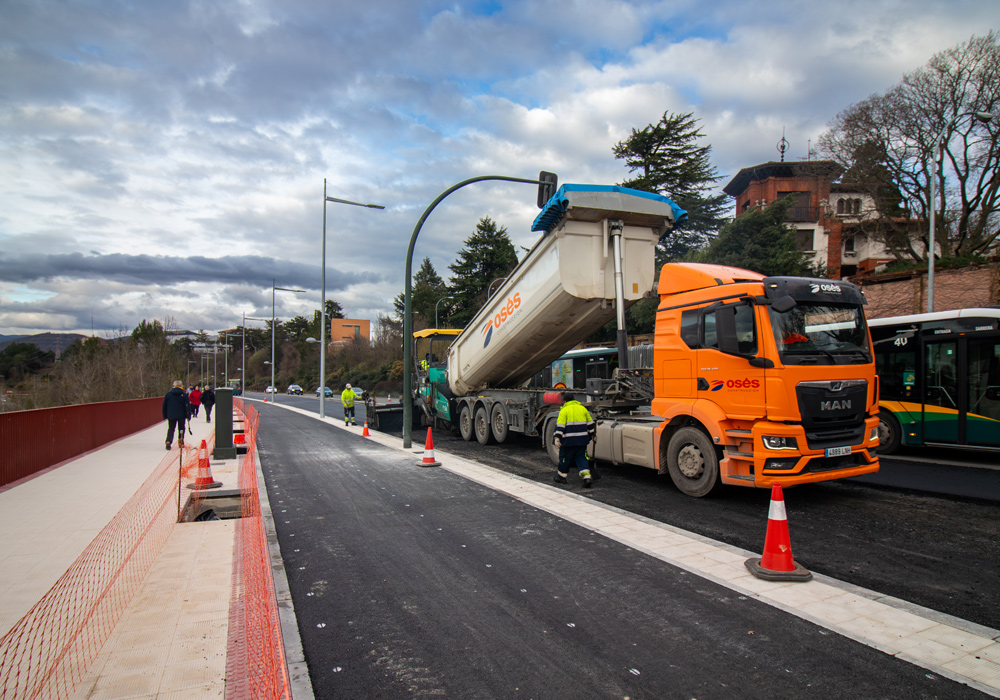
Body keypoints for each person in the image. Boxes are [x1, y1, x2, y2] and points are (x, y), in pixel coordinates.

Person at [552, 393, 596, 488]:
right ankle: (587, 478)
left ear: (565, 401)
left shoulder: (564, 411)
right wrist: (592, 435)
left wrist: (557, 438)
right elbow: (591, 425)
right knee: (582, 458)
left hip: (568, 442)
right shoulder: (582, 409)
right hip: (582, 441)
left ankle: (561, 477)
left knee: (564, 459)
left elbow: (560, 427)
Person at [163, 380, 190, 450]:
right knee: (181, 428)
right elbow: (187, 406)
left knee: (171, 429)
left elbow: (164, 406)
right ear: (181, 386)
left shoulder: (168, 394)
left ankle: (168, 441)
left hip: (171, 415)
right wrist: (188, 416)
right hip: (181, 415)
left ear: (173, 386)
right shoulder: (184, 394)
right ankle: (180, 442)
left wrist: (165, 415)